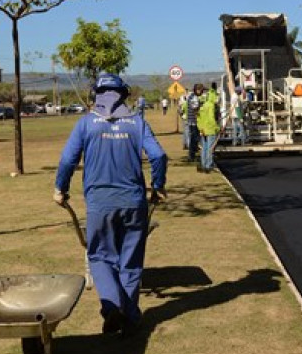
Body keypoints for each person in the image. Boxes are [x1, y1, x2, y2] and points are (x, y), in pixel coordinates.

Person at [54, 73, 167, 336]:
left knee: (100, 256)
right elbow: (159, 155)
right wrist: (158, 186)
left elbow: (68, 159)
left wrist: (61, 188)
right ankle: (130, 316)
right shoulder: (137, 123)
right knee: (131, 260)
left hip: (99, 204)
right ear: (124, 95)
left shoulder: (86, 124)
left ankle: (112, 307)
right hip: (133, 202)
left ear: (97, 95)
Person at [197, 84, 220, 172]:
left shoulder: (203, 106)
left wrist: (200, 129)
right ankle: (209, 165)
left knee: (204, 148)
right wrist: (217, 128)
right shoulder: (211, 106)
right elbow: (211, 119)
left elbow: (199, 119)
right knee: (210, 148)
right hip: (210, 130)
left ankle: (204, 164)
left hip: (203, 130)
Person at [185, 85, 203, 162]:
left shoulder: (191, 96)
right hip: (194, 121)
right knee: (194, 139)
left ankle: (192, 155)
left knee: (194, 139)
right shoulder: (194, 98)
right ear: (197, 90)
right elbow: (195, 109)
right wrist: (201, 108)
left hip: (191, 121)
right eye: (201, 91)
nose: (202, 93)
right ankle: (191, 156)